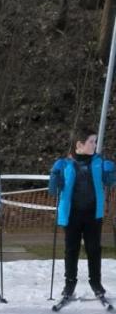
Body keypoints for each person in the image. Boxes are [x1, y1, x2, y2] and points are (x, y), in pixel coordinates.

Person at [48, 129, 116, 302]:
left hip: (93, 214)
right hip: (71, 214)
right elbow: (52, 191)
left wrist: (111, 171)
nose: (95, 145)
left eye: (95, 141)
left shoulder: (98, 162)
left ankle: (96, 283)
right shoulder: (65, 164)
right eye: (91, 142)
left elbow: (110, 182)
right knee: (71, 250)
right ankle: (69, 284)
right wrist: (54, 175)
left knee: (94, 249)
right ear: (79, 144)